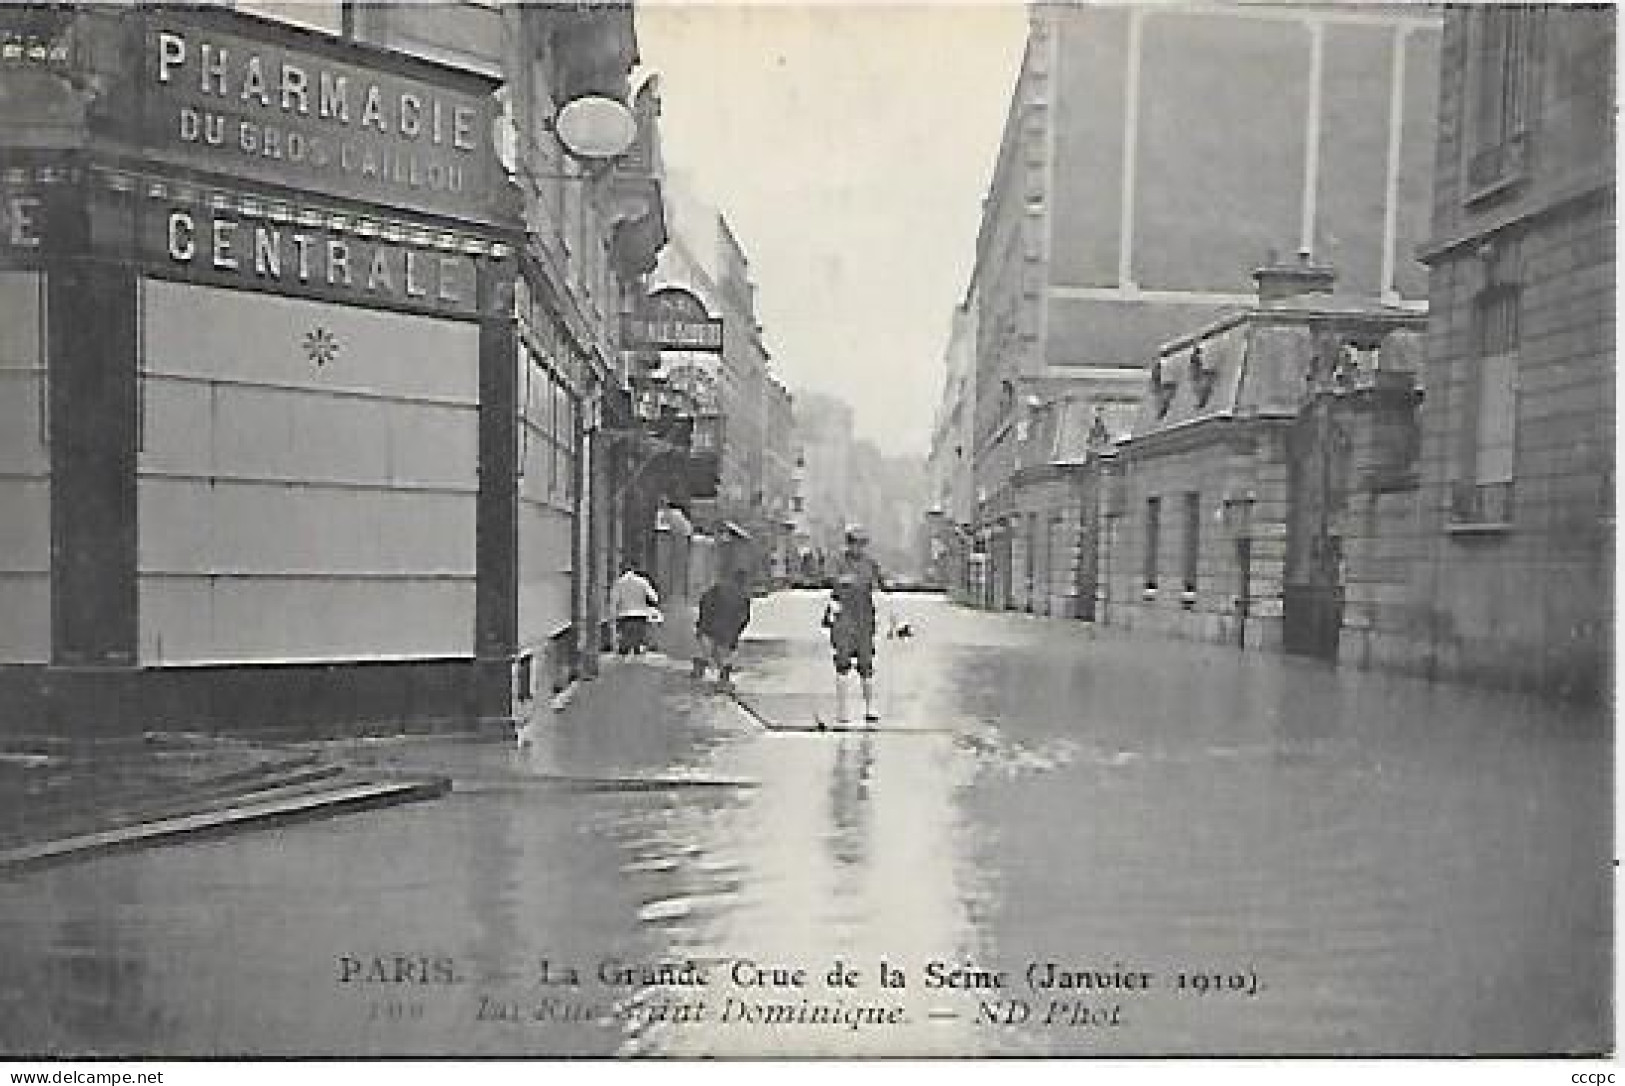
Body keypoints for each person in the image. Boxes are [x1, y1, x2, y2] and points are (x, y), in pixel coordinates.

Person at [821, 524, 888, 722]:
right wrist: (843, 581)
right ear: (848, 543)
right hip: (843, 614)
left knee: (866, 662)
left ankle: (870, 708)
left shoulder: (870, 563)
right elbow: (828, 578)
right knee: (842, 661)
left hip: (864, 616)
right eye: (854, 543)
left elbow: (882, 584)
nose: (857, 548)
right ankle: (842, 710)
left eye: (861, 544)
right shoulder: (837, 561)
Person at [693, 565, 753, 690]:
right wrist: (736, 632)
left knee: (706, 651)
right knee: (725, 655)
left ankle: (698, 674)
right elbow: (745, 617)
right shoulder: (743, 596)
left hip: (710, 627)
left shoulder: (717, 588)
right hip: (727, 631)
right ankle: (723, 679)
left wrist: (702, 623)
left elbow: (705, 603)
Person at [610, 563, 660, 656]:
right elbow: (654, 598)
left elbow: (614, 601)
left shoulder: (619, 583)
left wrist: (613, 616)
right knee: (638, 642)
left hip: (624, 616)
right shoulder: (642, 581)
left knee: (625, 642)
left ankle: (623, 661)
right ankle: (637, 659)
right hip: (640, 615)